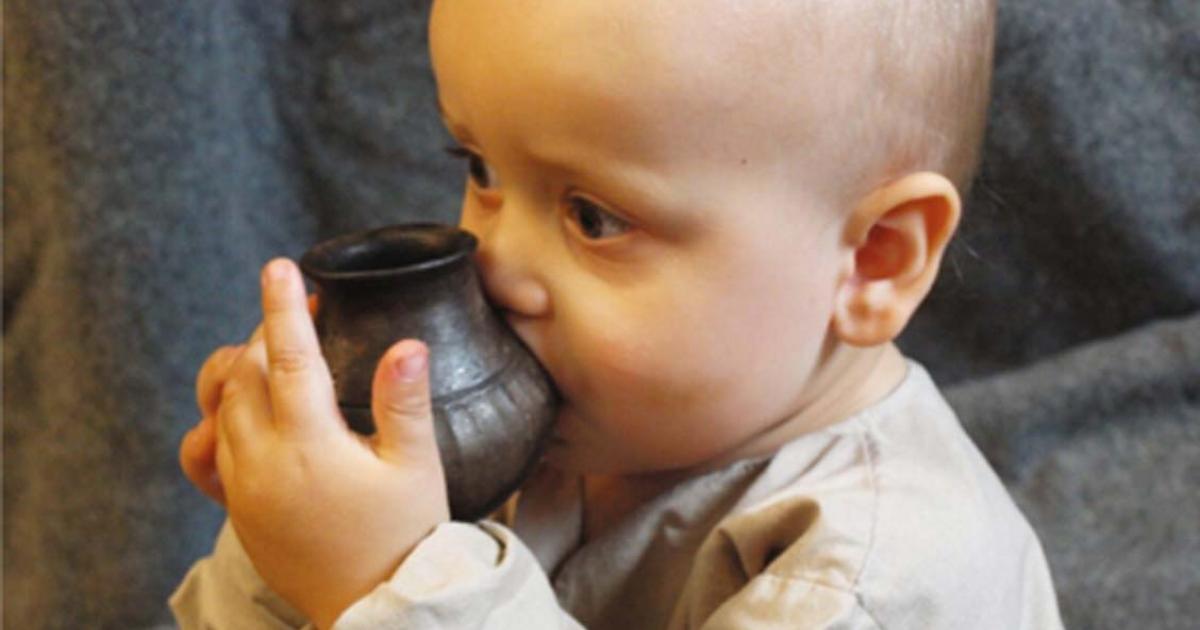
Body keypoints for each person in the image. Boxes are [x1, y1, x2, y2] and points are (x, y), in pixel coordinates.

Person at [171, 0, 1063, 627]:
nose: (495, 265)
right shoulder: (578, 430)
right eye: (480, 170)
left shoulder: (886, 578)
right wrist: (290, 549)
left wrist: (393, 580)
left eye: (594, 218)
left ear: (874, 260)